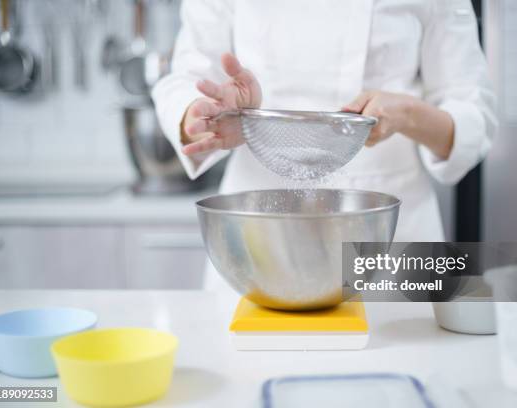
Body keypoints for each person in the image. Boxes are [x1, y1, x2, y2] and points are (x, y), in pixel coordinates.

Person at [152, 0, 497, 289]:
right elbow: (186, 80)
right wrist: (203, 116)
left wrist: (407, 113)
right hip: (257, 236)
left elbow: (473, 116)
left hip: (392, 237)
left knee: (399, 359)